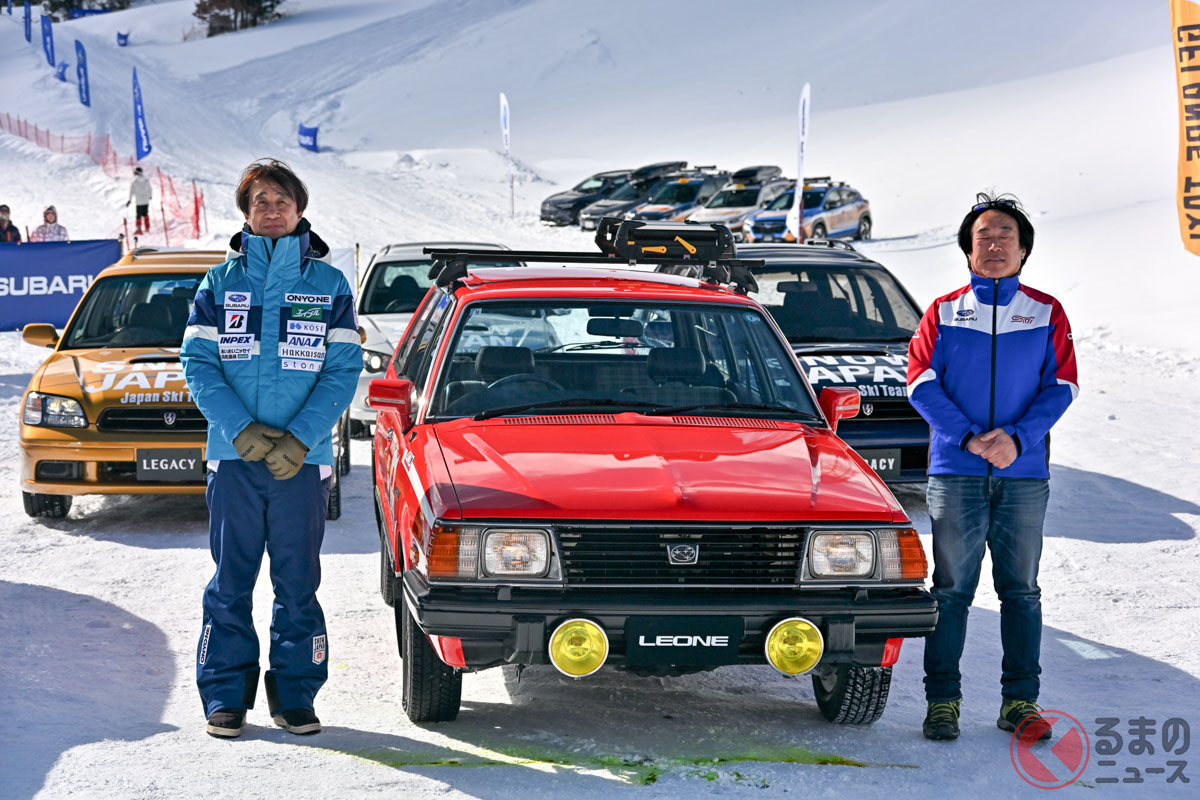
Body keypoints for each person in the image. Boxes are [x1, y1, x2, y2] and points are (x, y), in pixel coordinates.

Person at [181, 159, 362, 739]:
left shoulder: (329, 285)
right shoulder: (219, 282)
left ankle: (296, 695)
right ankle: (225, 695)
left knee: (297, 582)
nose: (272, 209)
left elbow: (341, 372)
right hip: (234, 460)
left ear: (300, 209)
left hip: (300, 464)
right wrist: (238, 429)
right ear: (246, 213)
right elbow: (197, 362)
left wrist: (303, 436)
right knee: (230, 580)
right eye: (260, 201)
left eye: (281, 200)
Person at [906, 193, 1078, 743]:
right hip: (955, 471)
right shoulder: (943, 310)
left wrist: (1018, 439)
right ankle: (942, 703)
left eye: (1006, 234)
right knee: (951, 590)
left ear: (1024, 249)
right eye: (984, 235)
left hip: (1023, 474)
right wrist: (969, 438)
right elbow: (919, 383)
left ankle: (1019, 702)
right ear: (967, 250)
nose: (995, 243)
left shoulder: (1047, 311)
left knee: (1021, 591)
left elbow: (1064, 385)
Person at [126, 166, 153, 234]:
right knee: (146, 214)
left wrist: (130, 200)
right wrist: (150, 196)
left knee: (138, 215)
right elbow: (150, 189)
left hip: (138, 202)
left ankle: (139, 229)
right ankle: (147, 228)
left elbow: (131, 192)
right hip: (145, 201)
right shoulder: (146, 181)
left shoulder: (135, 182)